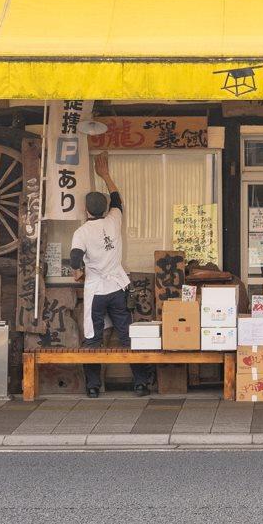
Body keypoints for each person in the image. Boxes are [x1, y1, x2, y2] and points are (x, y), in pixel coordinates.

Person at [69, 152, 157, 397]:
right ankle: (140, 384)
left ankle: (93, 387)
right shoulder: (114, 219)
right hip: (119, 288)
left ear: (86, 209)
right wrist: (105, 175)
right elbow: (117, 199)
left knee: (93, 338)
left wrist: (77, 272)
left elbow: (75, 257)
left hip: (96, 290)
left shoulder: (82, 232)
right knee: (127, 336)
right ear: (106, 208)